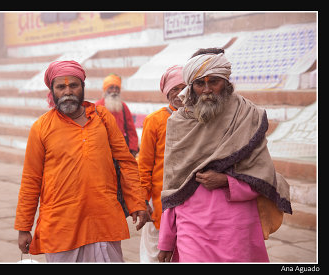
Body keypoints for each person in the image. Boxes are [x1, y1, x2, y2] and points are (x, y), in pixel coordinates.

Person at [157, 48, 292, 262]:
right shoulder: (178, 122)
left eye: (214, 82)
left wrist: (226, 181)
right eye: (200, 83)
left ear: (226, 83)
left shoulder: (248, 116)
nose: (208, 90)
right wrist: (165, 239)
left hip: (236, 226)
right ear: (191, 88)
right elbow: (173, 184)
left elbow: (263, 174)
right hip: (191, 224)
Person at [14, 60, 150, 263]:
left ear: (83, 87)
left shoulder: (102, 117)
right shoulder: (41, 128)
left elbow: (126, 162)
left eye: (73, 85)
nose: (67, 91)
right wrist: (24, 227)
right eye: (61, 87)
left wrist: (137, 202)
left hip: (103, 221)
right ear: (52, 91)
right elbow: (31, 180)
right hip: (62, 226)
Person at [138, 65, 185, 262]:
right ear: (167, 93)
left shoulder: (200, 118)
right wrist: (142, 200)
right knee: (155, 253)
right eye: (175, 89)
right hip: (158, 202)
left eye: (184, 87)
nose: (180, 94)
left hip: (188, 201)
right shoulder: (155, 120)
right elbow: (144, 165)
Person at [95, 73, 139, 157]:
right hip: (102, 151)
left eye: (117, 88)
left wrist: (133, 149)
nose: (114, 91)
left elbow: (131, 130)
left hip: (121, 151)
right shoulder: (97, 106)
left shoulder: (123, 107)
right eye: (111, 87)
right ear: (105, 89)